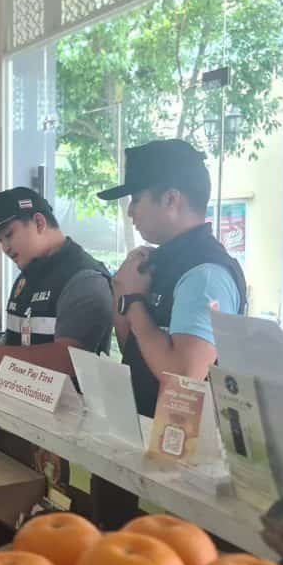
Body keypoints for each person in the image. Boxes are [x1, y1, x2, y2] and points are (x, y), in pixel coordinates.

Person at [99, 139, 247, 416]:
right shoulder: (159, 262)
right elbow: (135, 351)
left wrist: (133, 301)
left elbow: (184, 378)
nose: (130, 212)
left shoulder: (205, 274)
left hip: (187, 438)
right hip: (146, 426)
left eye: (136, 200)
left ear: (170, 199)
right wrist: (122, 292)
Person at [0, 187, 114, 376]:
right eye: (0, 240)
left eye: (9, 235)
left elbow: (70, 360)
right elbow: (13, 346)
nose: (5, 248)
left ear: (39, 223)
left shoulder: (84, 279)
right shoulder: (26, 277)